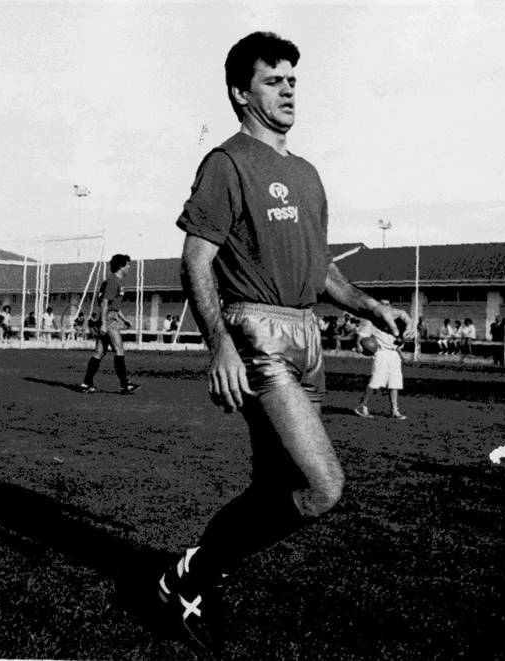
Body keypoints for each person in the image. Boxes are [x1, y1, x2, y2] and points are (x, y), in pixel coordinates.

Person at [160, 31, 405, 651]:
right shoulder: (228, 162)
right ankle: (192, 575)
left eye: (293, 78)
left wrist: (370, 305)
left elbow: (320, 267)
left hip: (308, 334)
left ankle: (188, 574)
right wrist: (218, 345)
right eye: (274, 79)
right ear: (242, 93)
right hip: (257, 332)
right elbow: (195, 258)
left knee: (277, 489)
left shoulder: (306, 173)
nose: (289, 88)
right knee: (323, 487)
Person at [78, 254, 140, 394]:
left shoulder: (114, 281)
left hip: (110, 317)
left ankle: (86, 383)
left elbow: (114, 305)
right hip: (109, 320)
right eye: (128, 265)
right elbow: (105, 303)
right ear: (121, 266)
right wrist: (104, 324)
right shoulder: (113, 281)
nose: (129, 267)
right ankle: (125, 385)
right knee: (119, 350)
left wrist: (124, 319)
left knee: (99, 352)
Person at [354, 301, 411, 419]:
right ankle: (362, 406)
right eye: (382, 303)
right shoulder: (372, 320)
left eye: (387, 304)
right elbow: (362, 335)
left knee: (395, 383)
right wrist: (359, 345)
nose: (385, 306)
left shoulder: (395, 321)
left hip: (394, 354)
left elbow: (396, 343)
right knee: (376, 381)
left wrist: (401, 354)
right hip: (381, 353)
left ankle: (395, 410)